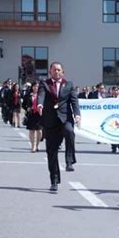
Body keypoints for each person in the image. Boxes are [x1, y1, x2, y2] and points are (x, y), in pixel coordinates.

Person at [38, 62, 81, 191]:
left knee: (69, 132)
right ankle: (54, 180)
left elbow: (74, 101)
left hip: (65, 118)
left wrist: (77, 114)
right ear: (50, 71)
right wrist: (40, 105)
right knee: (52, 153)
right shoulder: (44, 84)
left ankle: (69, 161)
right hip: (50, 121)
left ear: (63, 72)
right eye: (54, 70)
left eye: (59, 70)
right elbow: (41, 95)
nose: (56, 72)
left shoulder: (69, 85)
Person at [22, 81, 42, 152]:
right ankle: (33, 146)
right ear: (32, 87)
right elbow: (23, 104)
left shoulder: (41, 95)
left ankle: (37, 145)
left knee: (40, 132)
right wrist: (27, 108)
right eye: (34, 86)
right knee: (32, 131)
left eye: (37, 86)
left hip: (39, 114)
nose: (36, 88)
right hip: (31, 114)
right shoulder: (28, 95)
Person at [109, 86, 119, 153]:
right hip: (111, 118)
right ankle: (113, 147)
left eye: (116, 90)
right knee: (112, 132)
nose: (115, 92)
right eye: (114, 90)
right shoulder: (108, 99)